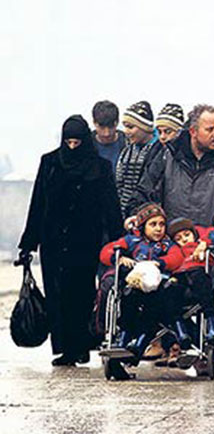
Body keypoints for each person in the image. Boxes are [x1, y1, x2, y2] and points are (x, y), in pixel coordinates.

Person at [18, 115, 123, 366]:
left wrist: (119, 241)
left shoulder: (99, 167)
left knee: (81, 294)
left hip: (85, 242)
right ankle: (65, 348)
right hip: (53, 242)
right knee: (56, 296)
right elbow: (38, 203)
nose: (73, 147)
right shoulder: (50, 163)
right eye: (69, 143)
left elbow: (111, 207)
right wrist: (28, 243)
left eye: (77, 142)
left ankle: (81, 346)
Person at [134, 104, 214, 233]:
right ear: (193, 131)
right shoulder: (168, 154)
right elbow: (146, 189)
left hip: (211, 237)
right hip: (172, 237)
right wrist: (136, 214)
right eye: (209, 130)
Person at [98, 203, 184, 361]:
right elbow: (106, 251)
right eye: (153, 224)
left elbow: (177, 258)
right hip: (136, 285)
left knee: (155, 302)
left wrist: (160, 263)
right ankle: (123, 337)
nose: (158, 229)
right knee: (128, 297)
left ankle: (141, 341)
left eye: (162, 224)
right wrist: (119, 258)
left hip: (159, 286)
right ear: (143, 226)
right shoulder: (132, 240)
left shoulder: (168, 244)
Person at [166, 217, 214, 355]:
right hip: (180, 276)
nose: (184, 240)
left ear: (193, 233)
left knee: (200, 279)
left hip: (201, 273)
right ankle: (181, 332)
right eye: (178, 238)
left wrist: (205, 243)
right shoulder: (173, 249)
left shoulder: (205, 235)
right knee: (170, 289)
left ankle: (213, 327)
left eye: (187, 235)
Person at [117, 101, 157, 215]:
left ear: (144, 127)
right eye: (125, 126)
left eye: (130, 127)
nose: (126, 131)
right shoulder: (127, 151)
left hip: (150, 216)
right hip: (126, 214)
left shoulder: (159, 151)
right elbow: (119, 184)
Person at [92, 100, 126, 173]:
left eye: (111, 127)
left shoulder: (128, 144)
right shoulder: (86, 145)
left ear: (117, 122)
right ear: (94, 123)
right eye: (102, 127)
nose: (106, 133)